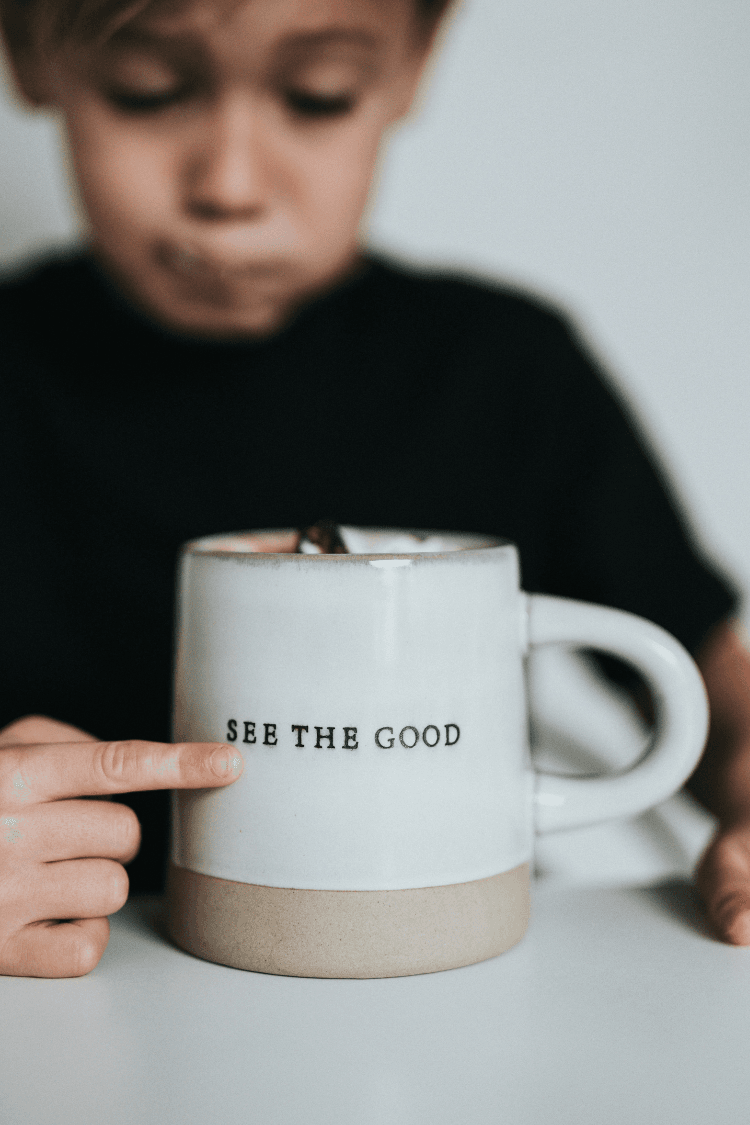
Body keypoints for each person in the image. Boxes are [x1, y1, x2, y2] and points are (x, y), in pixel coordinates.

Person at [1, 0, 749, 979]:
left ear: (413, 66)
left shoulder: (504, 371)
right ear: (25, 50)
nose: (229, 184)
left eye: (318, 98)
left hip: (449, 980)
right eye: (148, 91)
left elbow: (703, 674)